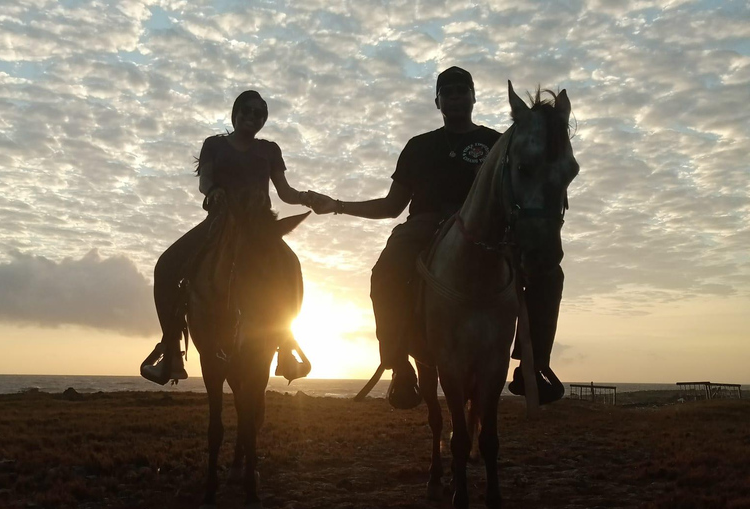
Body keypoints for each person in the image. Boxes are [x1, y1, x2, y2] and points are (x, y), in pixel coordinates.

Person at [310, 67, 566, 408]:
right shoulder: (419, 146)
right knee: (384, 271)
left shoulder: (494, 142)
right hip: (425, 224)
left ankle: (534, 366)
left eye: (463, 90)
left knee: (548, 271)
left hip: (486, 230)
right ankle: (399, 365)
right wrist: (338, 205)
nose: (456, 96)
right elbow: (391, 206)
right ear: (437, 101)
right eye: (448, 91)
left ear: (475, 96)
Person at [140, 90, 312, 385]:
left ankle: (285, 341)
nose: (252, 116)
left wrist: (308, 198)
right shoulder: (214, 144)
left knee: (291, 267)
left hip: (259, 229)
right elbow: (205, 179)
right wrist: (212, 191)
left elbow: (284, 191)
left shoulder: (270, 150)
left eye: (259, 113)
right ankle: (171, 349)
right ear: (235, 112)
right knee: (166, 266)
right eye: (246, 110)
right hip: (219, 222)